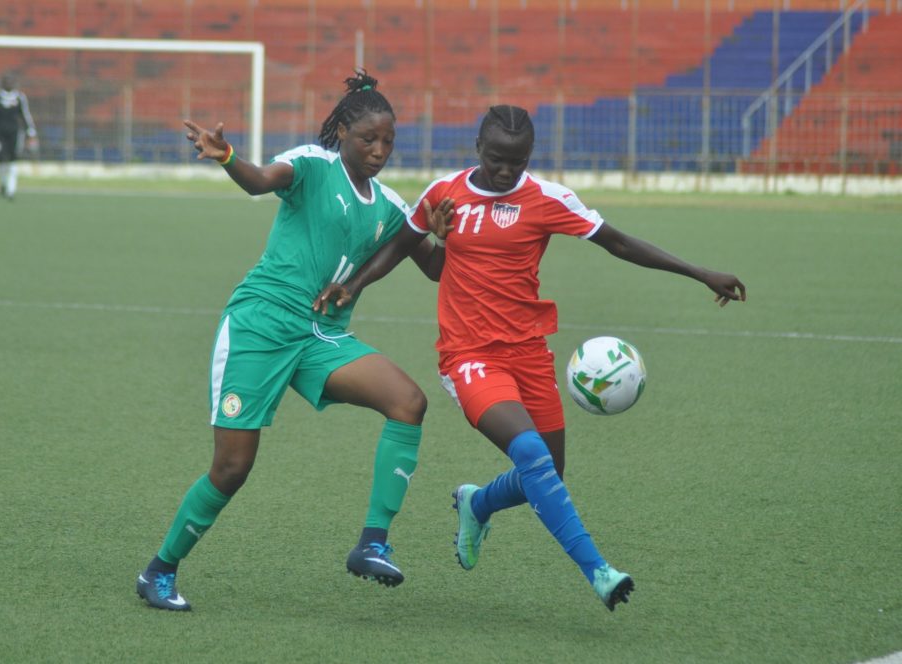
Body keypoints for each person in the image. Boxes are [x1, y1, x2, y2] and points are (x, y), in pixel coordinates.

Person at [313, 104, 746, 612]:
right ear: (478, 148)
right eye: (496, 158)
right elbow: (402, 245)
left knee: (548, 473)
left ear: (529, 158)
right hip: (468, 356)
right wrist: (356, 283)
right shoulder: (445, 193)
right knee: (533, 458)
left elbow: (620, 243)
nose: (504, 170)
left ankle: (478, 502)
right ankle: (599, 571)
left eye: (515, 162)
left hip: (529, 354)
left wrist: (700, 273)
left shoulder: (546, 198)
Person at [136, 71, 444, 612]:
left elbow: (435, 267)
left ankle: (372, 542)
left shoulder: (391, 204)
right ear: (342, 131)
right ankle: (159, 569)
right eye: (368, 139)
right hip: (261, 324)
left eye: (389, 142)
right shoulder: (312, 164)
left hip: (321, 337)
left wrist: (447, 232)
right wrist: (228, 155)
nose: (379, 151)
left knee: (408, 403)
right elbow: (260, 181)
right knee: (232, 468)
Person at [0, 72, 38, 201]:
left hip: (15, 133)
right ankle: (3, 183)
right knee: (1, 160)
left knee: (13, 160)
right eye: (6, 81)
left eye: (11, 81)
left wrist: (31, 133)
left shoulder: (20, 97)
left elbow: (25, 115)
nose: (9, 84)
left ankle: (11, 190)